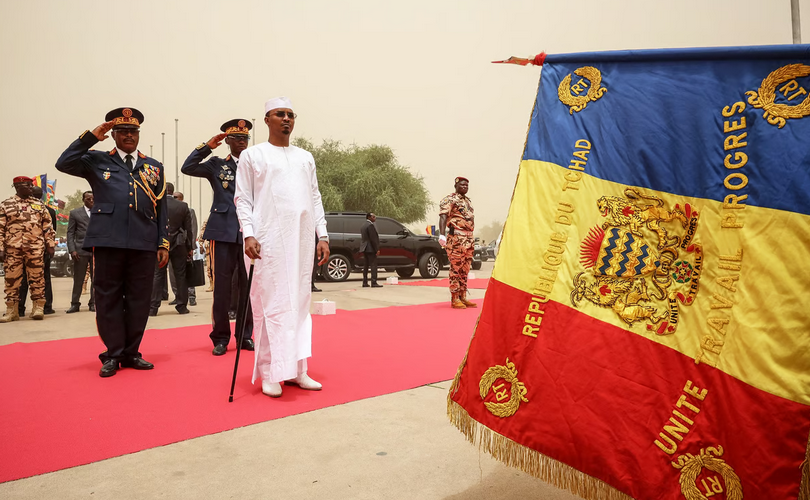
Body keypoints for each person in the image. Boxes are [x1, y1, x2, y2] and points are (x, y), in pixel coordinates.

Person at [55, 107, 170, 378]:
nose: (129, 136)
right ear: (114, 135)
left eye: (133, 132)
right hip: (108, 240)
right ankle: (112, 354)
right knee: (107, 298)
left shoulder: (153, 166)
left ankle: (132, 352)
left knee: (140, 299)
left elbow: (161, 207)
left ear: (138, 135)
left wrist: (162, 241)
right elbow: (64, 162)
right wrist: (92, 137)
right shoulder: (96, 160)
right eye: (123, 132)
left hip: (143, 241)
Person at [235, 96, 329, 398]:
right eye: (279, 114)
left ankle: (298, 369)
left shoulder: (305, 157)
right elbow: (243, 199)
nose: (286, 119)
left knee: (300, 305)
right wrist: (248, 234)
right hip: (267, 241)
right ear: (267, 120)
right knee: (270, 306)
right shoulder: (253, 156)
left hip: (301, 239)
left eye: (290, 114)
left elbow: (314, 197)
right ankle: (269, 372)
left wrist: (322, 235)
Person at [181, 119, 255, 356]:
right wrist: (208, 146)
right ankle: (221, 338)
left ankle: (245, 335)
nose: (241, 142)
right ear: (228, 141)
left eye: (245, 138)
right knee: (221, 288)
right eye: (237, 138)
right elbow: (188, 167)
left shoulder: (257, 165)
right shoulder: (216, 165)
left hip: (249, 234)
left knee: (248, 287)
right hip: (222, 232)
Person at [0, 176, 55, 322]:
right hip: (13, 249)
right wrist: (1, 248)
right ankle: (12, 311)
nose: (31, 188)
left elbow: (47, 225)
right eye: (28, 185)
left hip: (35, 248)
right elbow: (0, 228)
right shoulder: (6, 204)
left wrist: (50, 245)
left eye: (31, 186)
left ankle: (38, 308)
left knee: (37, 278)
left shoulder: (39, 205)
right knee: (12, 280)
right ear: (17, 186)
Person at [149, 183, 192, 315]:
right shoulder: (183, 206)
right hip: (179, 244)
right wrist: (189, 248)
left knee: (157, 275)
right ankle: (181, 306)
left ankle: (153, 307)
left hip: (160, 244)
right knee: (180, 275)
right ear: (173, 192)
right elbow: (188, 229)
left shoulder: (155, 204)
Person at [18, 186, 58, 316]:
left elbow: (50, 231)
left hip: (35, 250)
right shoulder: (49, 210)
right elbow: (52, 233)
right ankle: (46, 307)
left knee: (24, 279)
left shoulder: (45, 210)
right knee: (43, 279)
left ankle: (20, 308)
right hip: (37, 250)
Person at [438, 177, 477, 309]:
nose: (465, 186)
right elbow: (443, 216)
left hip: (468, 238)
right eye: (462, 184)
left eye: (467, 185)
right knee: (456, 268)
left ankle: (463, 296)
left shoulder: (468, 201)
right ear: (456, 185)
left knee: (465, 269)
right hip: (456, 238)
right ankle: (455, 298)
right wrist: (442, 235)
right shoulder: (450, 199)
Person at [66, 191, 95, 313]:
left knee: (96, 279)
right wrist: (72, 249)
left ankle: (93, 303)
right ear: (83, 200)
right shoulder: (75, 213)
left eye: (93, 199)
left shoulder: (99, 212)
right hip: (80, 250)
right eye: (88, 199)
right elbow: (70, 233)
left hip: (96, 250)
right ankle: (75, 303)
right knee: (78, 278)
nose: (91, 201)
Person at [170, 191, 197, 306]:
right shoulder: (172, 210)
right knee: (173, 274)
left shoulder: (189, 210)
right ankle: (178, 296)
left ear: (181, 198)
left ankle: (191, 296)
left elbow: (192, 229)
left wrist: (190, 246)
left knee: (188, 273)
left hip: (184, 246)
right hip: (174, 246)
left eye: (176, 197)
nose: (174, 198)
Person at [360, 212, 382, 288]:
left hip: (365, 248)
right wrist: (377, 249)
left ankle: (365, 282)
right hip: (370, 248)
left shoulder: (363, 225)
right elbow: (373, 239)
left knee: (365, 266)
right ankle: (374, 282)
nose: (374, 218)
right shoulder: (370, 226)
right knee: (373, 265)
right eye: (373, 217)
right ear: (369, 217)